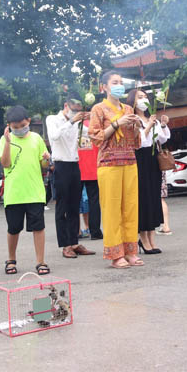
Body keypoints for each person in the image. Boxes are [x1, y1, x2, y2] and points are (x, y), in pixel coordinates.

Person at [88, 71, 143, 269]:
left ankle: (131, 251)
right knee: (112, 209)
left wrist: (136, 126)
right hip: (108, 164)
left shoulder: (128, 108)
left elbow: (136, 142)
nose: (119, 85)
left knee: (130, 207)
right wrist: (117, 123)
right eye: (114, 82)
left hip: (129, 161)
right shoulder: (98, 109)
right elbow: (96, 137)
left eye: (121, 82)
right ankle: (115, 254)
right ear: (104, 87)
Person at [0, 106, 52, 275]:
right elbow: (5, 163)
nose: (19, 129)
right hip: (14, 193)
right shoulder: (5, 139)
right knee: (13, 228)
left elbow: (43, 165)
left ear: (28, 121)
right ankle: (11, 259)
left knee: (38, 228)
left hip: (34, 192)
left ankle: (40, 261)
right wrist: (8, 142)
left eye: (22, 125)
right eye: (14, 127)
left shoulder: (37, 138)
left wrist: (46, 160)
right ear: (9, 126)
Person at [46, 97, 95, 259]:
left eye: (79, 110)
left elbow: (92, 134)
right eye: (74, 109)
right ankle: (65, 245)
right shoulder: (53, 119)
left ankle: (74, 242)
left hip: (75, 164)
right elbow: (54, 136)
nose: (76, 113)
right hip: (60, 165)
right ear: (66, 106)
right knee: (62, 207)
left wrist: (93, 119)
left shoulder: (78, 122)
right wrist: (72, 121)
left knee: (75, 206)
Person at [127, 89, 170, 254]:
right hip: (140, 159)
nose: (144, 100)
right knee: (142, 198)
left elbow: (163, 138)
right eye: (140, 97)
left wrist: (162, 124)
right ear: (133, 101)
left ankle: (152, 237)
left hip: (153, 161)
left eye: (145, 97)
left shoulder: (151, 118)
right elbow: (139, 141)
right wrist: (149, 125)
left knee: (153, 197)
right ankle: (143, 238)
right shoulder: (134, 119)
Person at [77, 115, 103, 240]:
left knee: (73, 202)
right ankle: (95, 231)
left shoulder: (73, 124)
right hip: (93, 166)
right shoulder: (95, 125)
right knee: (94, 201)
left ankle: (75, 231)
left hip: (76, 166)